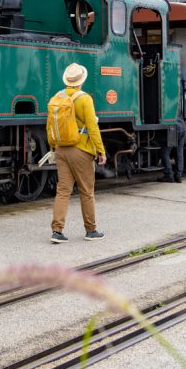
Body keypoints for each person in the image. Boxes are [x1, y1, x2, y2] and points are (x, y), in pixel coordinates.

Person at [48, 62, 107, 243]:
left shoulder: (58, 97)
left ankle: (57, 231)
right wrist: (100, 150)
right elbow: (92, 127)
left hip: (61, 149)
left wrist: (53, 147)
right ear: (81, 81)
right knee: (87, 191)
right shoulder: (84, 99)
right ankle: (91, 230)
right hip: (80, 149)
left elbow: (50, 125)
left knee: (63, 191)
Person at [160, 104, 186, 183]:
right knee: (179, 153)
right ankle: (178, 176)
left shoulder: (165, 104)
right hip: (182, 127)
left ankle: (169, 175)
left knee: (164, 152)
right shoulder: (176, 103)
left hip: (174, 127)